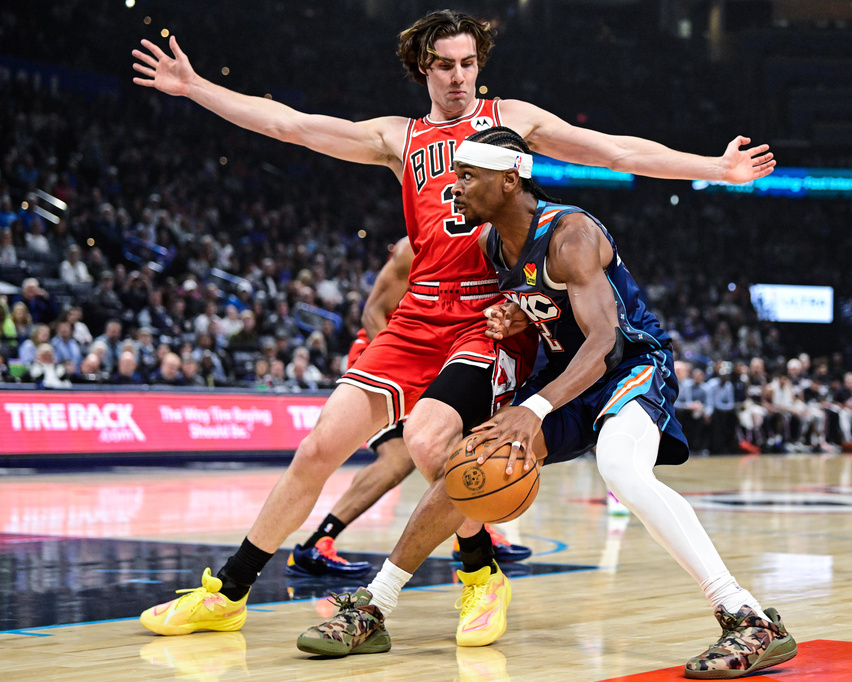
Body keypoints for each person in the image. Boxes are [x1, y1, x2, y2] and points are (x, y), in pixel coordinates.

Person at [133, 9, 774, 649]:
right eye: (446, 65)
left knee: (432, 441)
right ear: (423, 69)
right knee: (319, 448)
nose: (461, 77)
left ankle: (478, 575)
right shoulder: (397, 136)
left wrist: (715, 169)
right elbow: (293, 126)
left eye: (469, 63)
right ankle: (229, 593)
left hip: (483, 319)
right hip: (418, 316)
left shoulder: (511, 124)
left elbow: (614, 150)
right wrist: (196, 88)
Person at [438, 129, 795, 677]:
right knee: (474, 456)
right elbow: (547, 310)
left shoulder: (570, 232)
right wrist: (513, 318)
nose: (454, 187)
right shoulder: (491, 243)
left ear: (510, 180)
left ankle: (745, 615)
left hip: (628, 363)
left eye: (467, 176)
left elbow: (603, 341)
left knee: (621, 470)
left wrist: (533, 409)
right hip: (568, 376)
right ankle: (384, 597)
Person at [289, 237, 530, 579]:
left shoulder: (487, 244)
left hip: (439, 357)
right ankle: (317, 543)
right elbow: (373, 312)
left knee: (462, 439)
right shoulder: (412, 247)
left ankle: (473, 532)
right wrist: (412, 374)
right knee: (399, 456)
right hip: (388, 356)